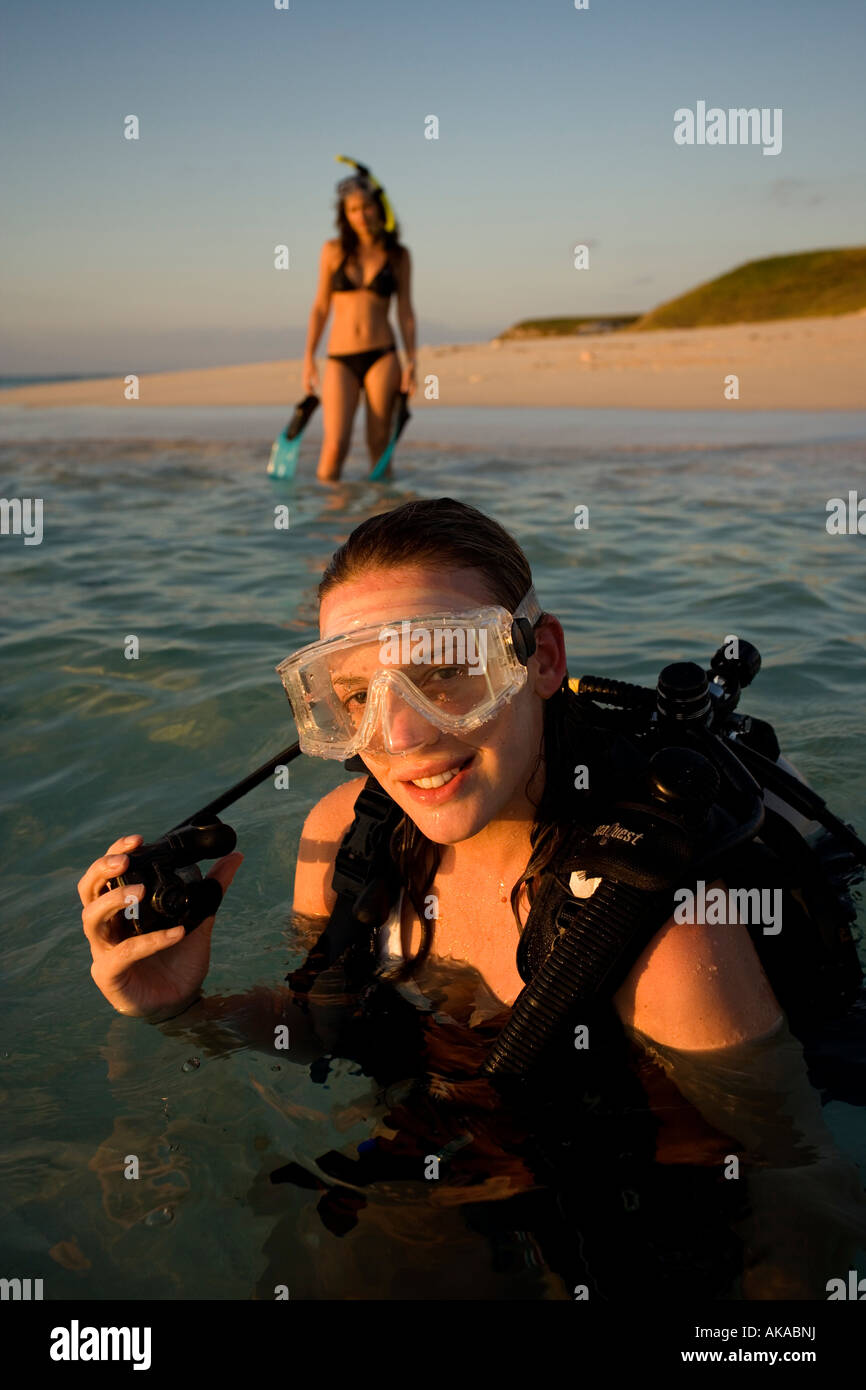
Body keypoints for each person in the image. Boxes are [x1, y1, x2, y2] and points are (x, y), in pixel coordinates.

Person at [79, 497, 866, 1299]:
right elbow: (322, 1020)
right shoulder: (346, 842)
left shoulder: (661, 934)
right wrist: (183, 1011)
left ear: (542, 659)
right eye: (356, 697)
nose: (401, 736)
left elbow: (796, 1175)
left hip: (637, 1176)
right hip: (460, 1135)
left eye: (446, 672)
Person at [302, 163, 416, 482]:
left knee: (379, 445)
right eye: (352, 209)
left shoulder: (398, 255)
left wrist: (412, 361)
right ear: (345, 214)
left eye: (366, 207)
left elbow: (405, 310)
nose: (360, 215)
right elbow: (320, 306)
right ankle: (327, 526)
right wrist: (309, 357)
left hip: (383, 355)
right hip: (340, 358)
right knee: (335, 445)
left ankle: (382, 522)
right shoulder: (332, 251)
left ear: (379, 208)